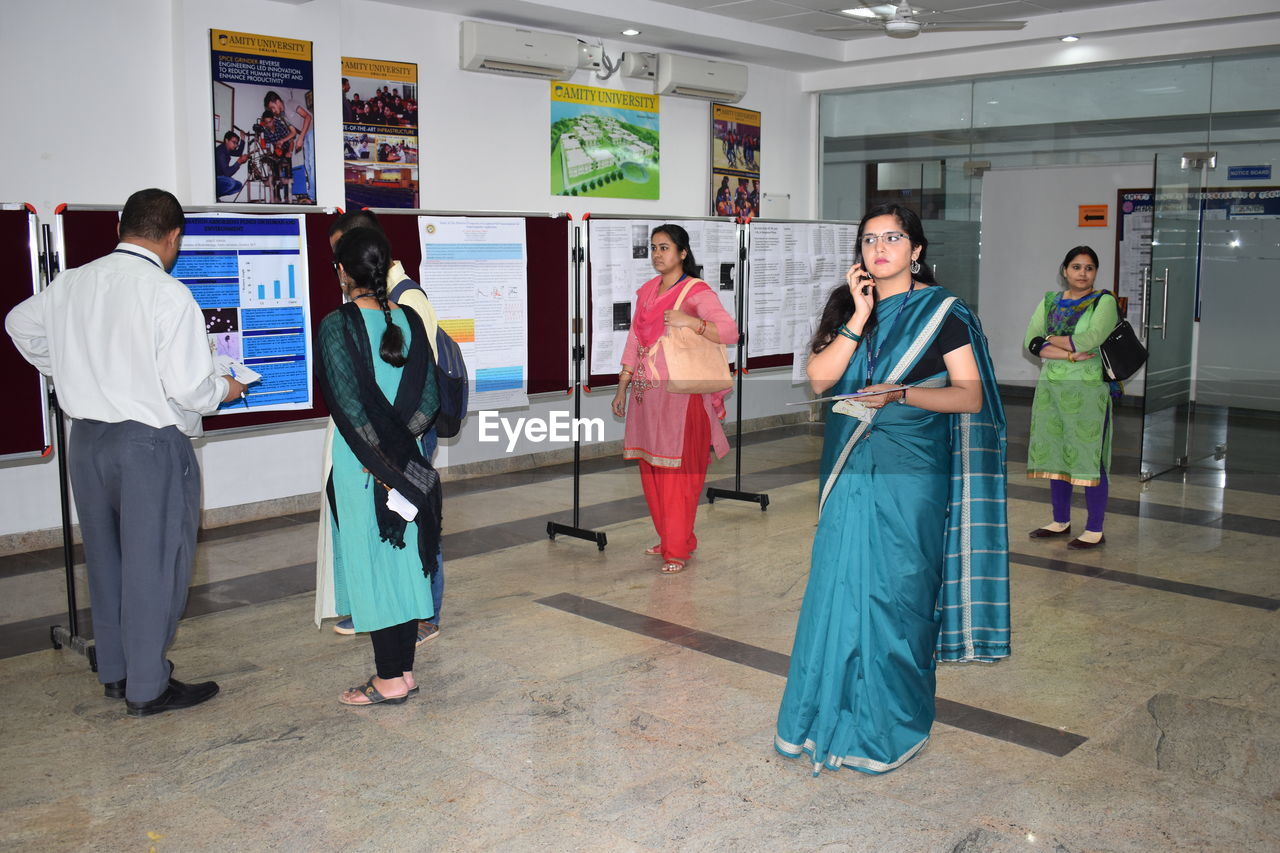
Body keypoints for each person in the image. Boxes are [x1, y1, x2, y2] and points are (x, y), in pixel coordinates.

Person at [774, 203, 1009, 774]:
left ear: (916, 250)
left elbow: (969, 397)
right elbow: (820, 379)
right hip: (849, 470)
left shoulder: (944, 313)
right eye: (869, 240)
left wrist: (901, 394)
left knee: (897, 593)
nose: (879, 249)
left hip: (912, 473)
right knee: (837, 587)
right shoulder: (846, 305)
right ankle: (817, 716)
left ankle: (890, 726)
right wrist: (857, 315)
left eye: (893, 238)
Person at [5, 188, 246, 717]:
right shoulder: (167, 294)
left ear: (123, 225)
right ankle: (148, 686)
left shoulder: (72, 281)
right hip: (146, 444)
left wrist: (64, 367)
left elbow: (18, 324)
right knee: (156, 564)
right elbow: (189, 390)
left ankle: (115, 671)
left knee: (107, 561)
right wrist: (226, 390)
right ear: (173, 236)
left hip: (87, 439)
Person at [317, 226, 442, 706]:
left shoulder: (338, 325)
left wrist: (378, 460)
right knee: (406, 565)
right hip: (407, 463)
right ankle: (403, 671)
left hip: (362, 465)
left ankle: (388, 680)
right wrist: (398, 454)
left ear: (344, 272)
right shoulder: (409, 318)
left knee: (374, 565)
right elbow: (428, 399)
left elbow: (346, 407)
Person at [610, 224, 738, 574]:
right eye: (653, 248)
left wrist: (690, 322)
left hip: (681, 399)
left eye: (665, 248)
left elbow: (729, 331)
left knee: (678, 473)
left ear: (682, 253)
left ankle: (676, 550)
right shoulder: (647, 292)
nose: (657, 255)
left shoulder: (696, 292)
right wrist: (621, 386)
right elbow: (635, 342)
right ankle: (672, 537)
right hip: (645, 396)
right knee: (651, 470)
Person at [1024, 245, 1118, 550]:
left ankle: (1094, 528)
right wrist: (1070, 353)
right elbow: (1031, 342)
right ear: (1065, 271)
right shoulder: (1050, 301)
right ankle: (1060, 521)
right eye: (1076, 267)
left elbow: (1090, 339)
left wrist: (1050, 341)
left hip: (1089, 390)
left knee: (1088, 456)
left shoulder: (1103, 302)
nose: (1082, 273)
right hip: (1051, 388)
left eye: (1089, 268)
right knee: (1056, 451)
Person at [214, 131, 248, 199]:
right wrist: (239, 161)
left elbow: (238, 153)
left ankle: (216, 196)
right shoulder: (221, 152)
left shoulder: (227, 149)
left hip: (221, 178)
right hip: (214, 179)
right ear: (226, 140)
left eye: (236, 143)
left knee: (238, 186)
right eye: (234, 142)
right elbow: (227, 173)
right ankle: (214, 195)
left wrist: (243, 140)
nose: (235, 145)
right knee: (231, 182)